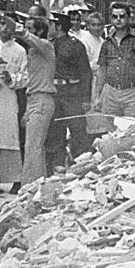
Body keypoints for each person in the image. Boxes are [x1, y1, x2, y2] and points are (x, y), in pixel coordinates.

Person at [0, 14, 26, 191]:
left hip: (8, 97)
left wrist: (11, 79)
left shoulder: (19, 51)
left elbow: (25, 76)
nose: (4, 28)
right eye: (1, 23)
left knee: (9, 137)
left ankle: (14, 179)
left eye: (8, 24)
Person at [46, 12, 93, 170]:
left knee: (77, 129)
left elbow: (86, 72)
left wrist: (86, 99)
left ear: (58, 26)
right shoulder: (47, 44)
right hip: (54, 91)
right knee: (54, 130)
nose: (49, 26)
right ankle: (57, 165)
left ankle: (80, 166)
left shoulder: (75, 45)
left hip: (72, 91)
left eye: (52, 24)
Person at [93, 1, 135, 119]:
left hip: (133, 93)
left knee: (130, 129)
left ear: (128, 17)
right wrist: (97, 96)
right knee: (111, 131)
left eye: (122, 16)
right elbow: (102, 69)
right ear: (111, 19)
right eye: (115, 17)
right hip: (111, 92)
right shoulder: (107, 42)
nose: (118, 19)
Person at [15, 16, 56, 183]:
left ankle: (30, 188)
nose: (28, 31)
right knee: (34, 147)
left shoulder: (46, 46)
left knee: (33, 148)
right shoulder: (33, 52)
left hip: (42, 100)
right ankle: (37, 186)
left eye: (31, 28)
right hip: (34, 99)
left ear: (39, 32)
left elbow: (25, 36)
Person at [78, 10, 105, 76]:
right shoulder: (83, 41)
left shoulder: (103, 41)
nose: (96, 28)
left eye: (99, 25)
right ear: (88, 26)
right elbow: (85, 65)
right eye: (93, 25)